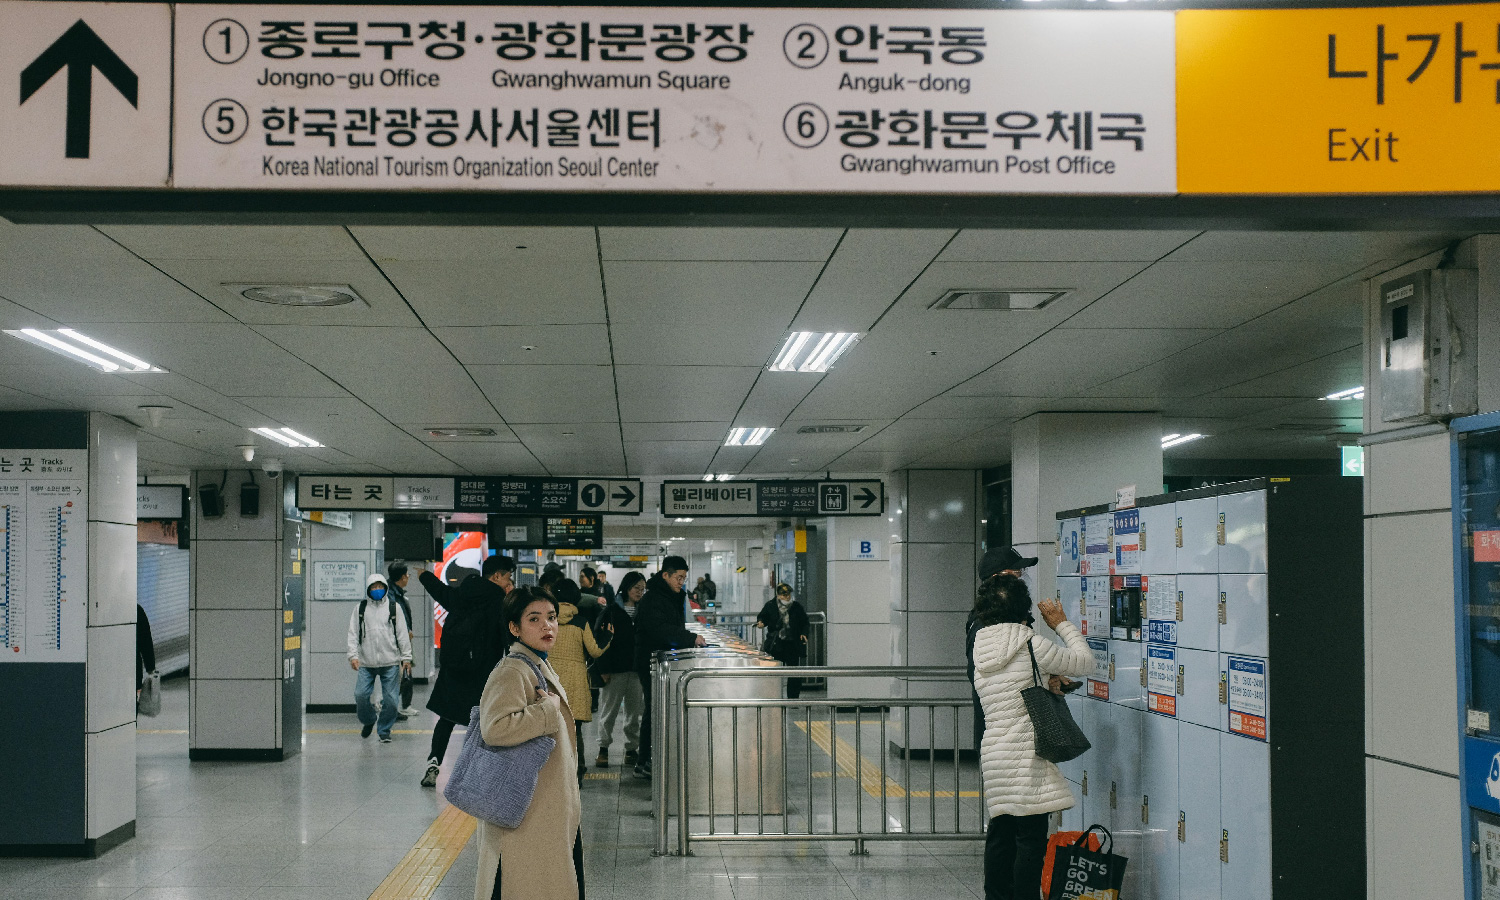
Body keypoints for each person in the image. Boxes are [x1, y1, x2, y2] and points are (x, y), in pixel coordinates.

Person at [971, 574, 1093, 900]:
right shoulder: (1029, 643)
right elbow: (1085, 662)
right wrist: (1062, 625)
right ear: (1023, 608)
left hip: (995, 752)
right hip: (1026, 754)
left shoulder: (981, 645)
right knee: (1030, 840)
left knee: (1001, 834)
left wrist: (1047, 680)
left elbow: (1012, 686)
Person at [474, 586, 585, 900]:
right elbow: (494, 729)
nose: (547, 626)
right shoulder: (512, 670)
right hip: (524, 810)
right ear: (515, 627)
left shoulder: (537, 664)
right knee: (521, 884)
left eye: (551, 617)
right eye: (534, 619)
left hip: (542, 805)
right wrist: (546, 712)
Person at [419, 554, 514, 787]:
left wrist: (425, 577)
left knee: (447, 718)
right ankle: (470, 771)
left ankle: (434, 761)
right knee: (479, 721)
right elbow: (506, 635)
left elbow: (443, 594)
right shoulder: (499, 600)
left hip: (453, 666)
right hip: (482, 670)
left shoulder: (464, 591)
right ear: (497, 576)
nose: (510, 583)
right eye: (508, 578)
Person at [632, 555, 705, 779]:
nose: (681, 582)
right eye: (678, 577)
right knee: (655, 710)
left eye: (684, 578)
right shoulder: (654, 598)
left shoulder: (669, 596)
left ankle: (645, 760)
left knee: (654, 710)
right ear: (665, 575)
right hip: (651, 662)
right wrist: (690, 638)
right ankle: (646, 761)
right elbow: (660, 629)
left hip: (661, 661)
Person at [967, 547, 1038, 750]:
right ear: (997, 580)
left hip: (1011, 730)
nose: (1021, 579)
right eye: (1015, 574)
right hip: (1003, 732)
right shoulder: (985, 625)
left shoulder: (1009, 620)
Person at [549, 578, 612, 783]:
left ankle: (552, 773)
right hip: (575, 680)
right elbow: (594, 651)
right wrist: (607, 637)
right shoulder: (581, 622)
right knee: (574, 729)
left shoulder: (547, 620)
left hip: (551, 679)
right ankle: (577, 771)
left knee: (550, 728)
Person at [347, 575, 412, 743]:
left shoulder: (393, 607)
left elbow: (402, 634)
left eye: (380, 587)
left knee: (391, 700)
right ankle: (369, 720)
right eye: (373, 587)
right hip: (366, 662)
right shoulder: (360, 608)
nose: (377, 590)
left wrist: (406, 658)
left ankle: (384, 730)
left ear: (385, 588)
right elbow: (353, 634)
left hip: (390, 661)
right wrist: (353, 656)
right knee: (360, 695)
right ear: (368, 589)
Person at [593, 570, 644, 768]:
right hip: (614, 670)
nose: (639, 592)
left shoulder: (644, 612)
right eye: (636, 588)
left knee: (633, 713)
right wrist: (603, 669)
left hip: (636, 670)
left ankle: (631, 749)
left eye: (642, 589)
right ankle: (603, 749)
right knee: (608, 712)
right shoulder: (611, 611)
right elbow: (601, 641)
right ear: (626, 588)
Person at [755, 583, 810, 698]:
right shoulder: (770, 605)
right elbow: (763, 617)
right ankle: (774, 696)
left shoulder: (796, 607)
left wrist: (804, 634)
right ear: (778, 595)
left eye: (789, 594)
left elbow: (805, 622)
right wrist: (761, 622)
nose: (788, 597)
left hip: (792, 644)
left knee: (794, 673)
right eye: (784, 595)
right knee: (775, 672)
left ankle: (793, 698)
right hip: (776, 644)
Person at [388, 563, 419, 718]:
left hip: (403, 639)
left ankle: (404, 705)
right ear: (402, 577)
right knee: (400, 675)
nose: (408, 577)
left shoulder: (397, 593)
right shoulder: (391, 595)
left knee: (406, 672)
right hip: (397, 641)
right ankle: (393, 707)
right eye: (408, 574)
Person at [136, 604, 156, 698]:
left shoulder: (110, 609)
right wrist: (150, 667)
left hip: (114, 670)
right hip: (133, 670)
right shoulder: (136, 609)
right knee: (132, 704)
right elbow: (146, 641)